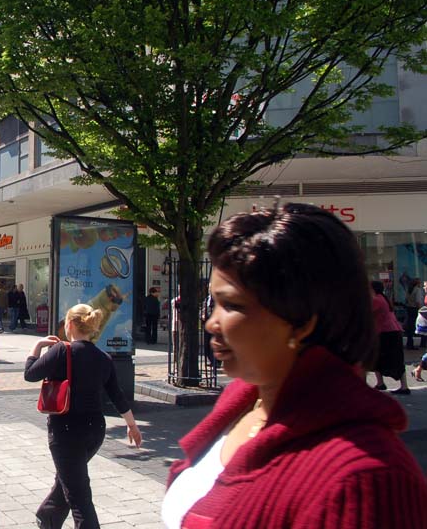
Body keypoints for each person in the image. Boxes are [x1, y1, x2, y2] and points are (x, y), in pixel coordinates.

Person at [161, 203, 427, 528]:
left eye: (231, 304)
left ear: (300, 322)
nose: (211, 322)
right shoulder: (242, 403)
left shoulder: (367, 480)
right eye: (213, 302)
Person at [25, 303, 142, 528]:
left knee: (78, 495)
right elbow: (117, 395)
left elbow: (30, 374)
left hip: (66, 431)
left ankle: (55, 519)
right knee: (69, 479)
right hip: (94, 431)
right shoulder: (103, 358)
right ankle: (47, 517)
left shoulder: (62, 351)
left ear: (69, 324)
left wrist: (37, 346)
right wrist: (132, 425)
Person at [371, 281, 410, 395]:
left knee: (378, 357)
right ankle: (402, 386)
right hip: (392, 331)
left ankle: (382, 383)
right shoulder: (384, 299)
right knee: (396, 358)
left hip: (385, 332)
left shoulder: (376, 300)